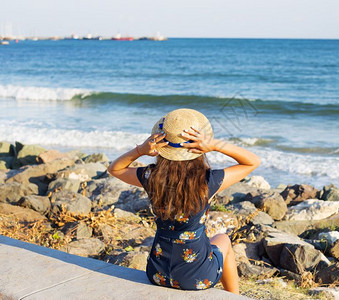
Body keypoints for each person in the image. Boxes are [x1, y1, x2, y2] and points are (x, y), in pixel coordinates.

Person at [107, 108, 260, 294]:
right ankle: (233, 297)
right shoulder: (207, 181)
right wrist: (216, 145)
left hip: (157, 273)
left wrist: (141, 150)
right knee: (223, 240)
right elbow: (253, 162)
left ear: (162, 146)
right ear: (198, 147)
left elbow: (114, 169)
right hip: (197, 278)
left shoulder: (151, 177)